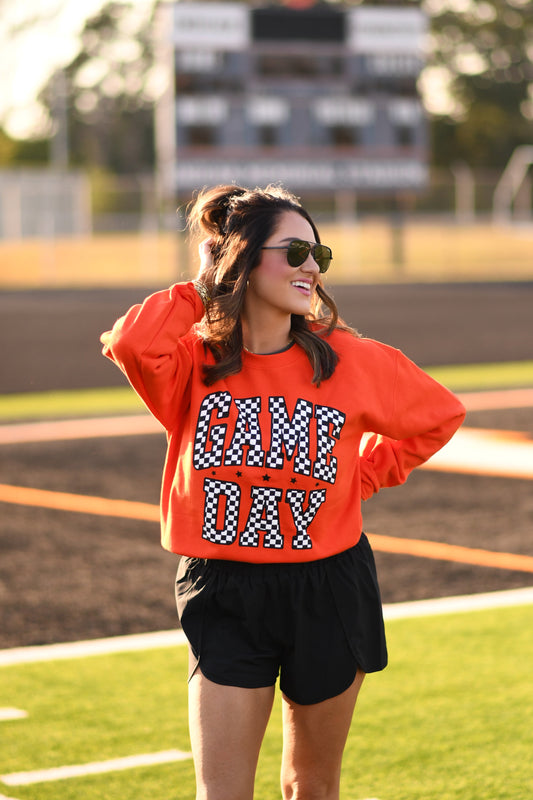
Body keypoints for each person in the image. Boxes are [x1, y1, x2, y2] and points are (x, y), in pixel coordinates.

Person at [101, 184, 465, 800]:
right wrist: (204, 283)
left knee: (310, 788)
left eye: (317, 254)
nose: (309, 267)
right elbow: (131, 343)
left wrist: (365, 475)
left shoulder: (351, 360)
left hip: (329, 588)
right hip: (223, 589)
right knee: (221, 793)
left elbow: (439, 415)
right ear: (240, 258)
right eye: (293, 251)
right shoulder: (193, 363)